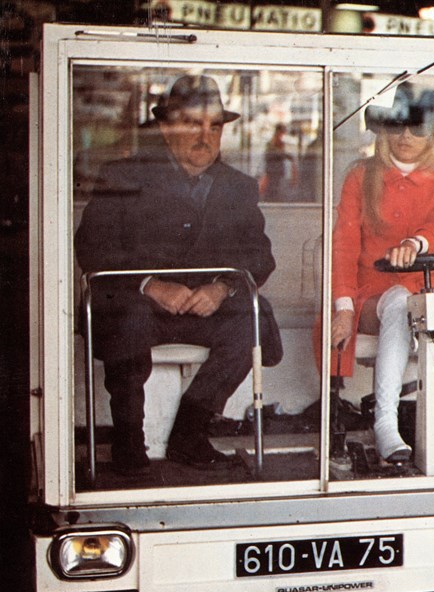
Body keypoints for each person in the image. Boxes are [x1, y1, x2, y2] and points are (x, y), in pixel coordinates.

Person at [75, 74, 283, 475]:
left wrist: (221, 289)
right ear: (166, 126)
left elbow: (260, 256)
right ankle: (128, 440)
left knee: (251, 321)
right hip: (139, 309)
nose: (205, 136)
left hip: (203, 311)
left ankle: (190, 432)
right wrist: (150, 285)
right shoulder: (123, 176)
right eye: (192, 123)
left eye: (215, 126)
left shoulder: (238, 187)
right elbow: (92, 247)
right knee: (129, 315)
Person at [321, 84, 434, 470]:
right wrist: (342, 305)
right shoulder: (360, 176)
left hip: (428, 290)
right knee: (398, 302)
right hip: (373, 294)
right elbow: (342, 246)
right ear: (384, 131)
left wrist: (416, 243)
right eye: (397, 127)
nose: (406, 137)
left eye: (417, 128)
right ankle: (386, 422)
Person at [263, 123, 293, 201]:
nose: (282, 135)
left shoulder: (281, 143)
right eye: (281, 132)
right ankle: (270, 200)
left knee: (277, 187)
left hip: (278, 170)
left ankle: (274, 199)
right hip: (272, 170)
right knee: (272, 187)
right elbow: (269, 155)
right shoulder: (272, 143)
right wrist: (284, 155)